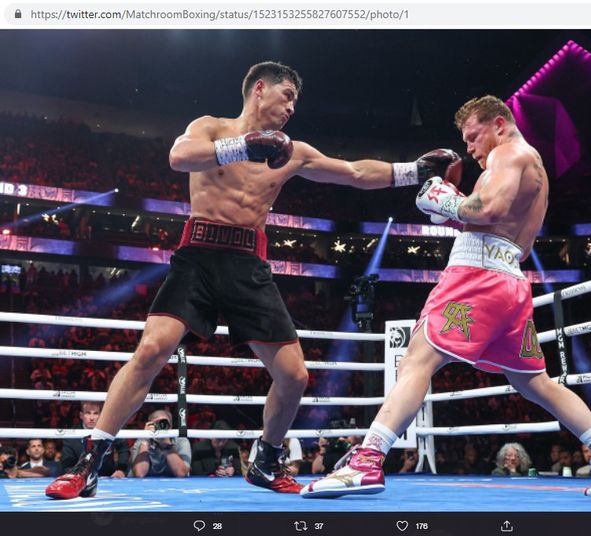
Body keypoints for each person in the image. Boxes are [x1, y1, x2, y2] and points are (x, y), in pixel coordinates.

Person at [46, 60, 460, 499]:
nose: (292, 108)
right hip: (199, 256)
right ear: (259, 89)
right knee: (151, 349)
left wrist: (412, 171)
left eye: (296, 103)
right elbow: (178, 157)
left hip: (248, 264)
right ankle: (89, 464)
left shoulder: (294, 152)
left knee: (294, 376)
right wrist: (244, 147)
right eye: (287, 97)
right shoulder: (210, 127)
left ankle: (266, 459)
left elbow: (354, 172)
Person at [301, 95, 591, 499]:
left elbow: (490, 209)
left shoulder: (509, 153)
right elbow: (491, 221)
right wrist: (450, 210)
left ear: (499, 124)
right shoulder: (532, 165)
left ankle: (367, 460)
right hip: (510, 282)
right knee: (534, 381)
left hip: (476, 276)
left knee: (418, 359)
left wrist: (446, 199)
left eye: (473, 136)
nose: (469, 147)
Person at [59, 402, 130, 479]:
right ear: (81, 415)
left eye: (95, 413)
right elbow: (67, 464)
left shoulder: (109, 429)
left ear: (101, 415)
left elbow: (123, 446)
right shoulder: (72, 436)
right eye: (88, 413)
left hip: (108, 477)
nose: (91, 418)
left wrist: (121, 470)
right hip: (80, 478)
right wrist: (75, 476)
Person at [130, 409, 191, 478]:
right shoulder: (142, 441)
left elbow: (181, 473)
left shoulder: (181, 441)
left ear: (170, 426)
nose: (161, 425)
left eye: (164, 422)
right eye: (157, 423)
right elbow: (140, 474)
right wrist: (146, 440)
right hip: (146, 486)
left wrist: (166, 445)